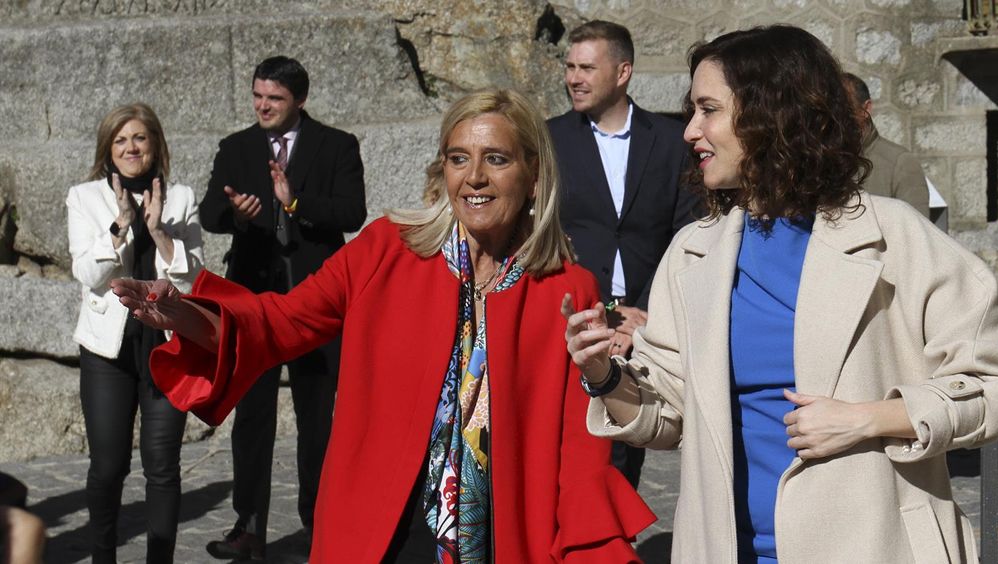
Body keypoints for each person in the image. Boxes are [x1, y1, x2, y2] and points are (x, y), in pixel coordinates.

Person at [113, 89, 655, 563]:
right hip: (384, 533)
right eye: (459, 158)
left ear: (534, 175)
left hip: (507, 537)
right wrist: (187, 314)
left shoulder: (566, 288)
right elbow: (282, 322)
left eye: (496, 158)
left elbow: (579, 450)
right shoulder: (386, 251)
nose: (475, 177)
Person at [564, 26, 998, 563]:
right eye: (692, 112)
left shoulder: (895, 237)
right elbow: (664, 417)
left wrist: (871, 418)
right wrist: (605, 374)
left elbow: (997, 389)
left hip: (874, 548)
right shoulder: (693, 253)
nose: (690, 130)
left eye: (708, 110)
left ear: (772, 115)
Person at [197, 55, 367, 559]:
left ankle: (320, 525)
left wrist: (295, 203)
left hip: (316, 302)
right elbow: (210, 213)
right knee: (252, 417)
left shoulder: (336, 145)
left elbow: (352, 212)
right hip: (253, 302)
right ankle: (248, 526)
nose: (262, 106)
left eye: (274, 98)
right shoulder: (236, 147)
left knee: (317, 421)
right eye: (257, 95)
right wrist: (238, 214)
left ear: (300, 100)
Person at [548, 19, 700, 488]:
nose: (574, 78)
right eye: (570, 67)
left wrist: (645, 314)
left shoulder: (671, 141)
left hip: (647, 324)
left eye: (587, 68)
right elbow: (542, 233)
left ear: (623, 72)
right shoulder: (549, 140)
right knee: (576, 456)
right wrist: (601, 310)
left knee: (627, 453)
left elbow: (686, 233)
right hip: (574, 319)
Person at [66, 102, 203, 563]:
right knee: (108, 467)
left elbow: (192, 277)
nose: (131, 147)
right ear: (108, 149)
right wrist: (120, 226)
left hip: (167, 348)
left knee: (162, 467)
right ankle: (103, 557)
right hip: (108, 352)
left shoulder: (180, 197)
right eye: (120, 140)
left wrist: (159, 230)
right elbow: (87, 274)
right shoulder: (84, 197)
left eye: (139, 138)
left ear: (155, 144)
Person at [843, 72, 930, 217]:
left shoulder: (900, 163)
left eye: (845, 108)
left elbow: (917, 228)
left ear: (866, 109)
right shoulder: (822, 161)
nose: (836, 116)